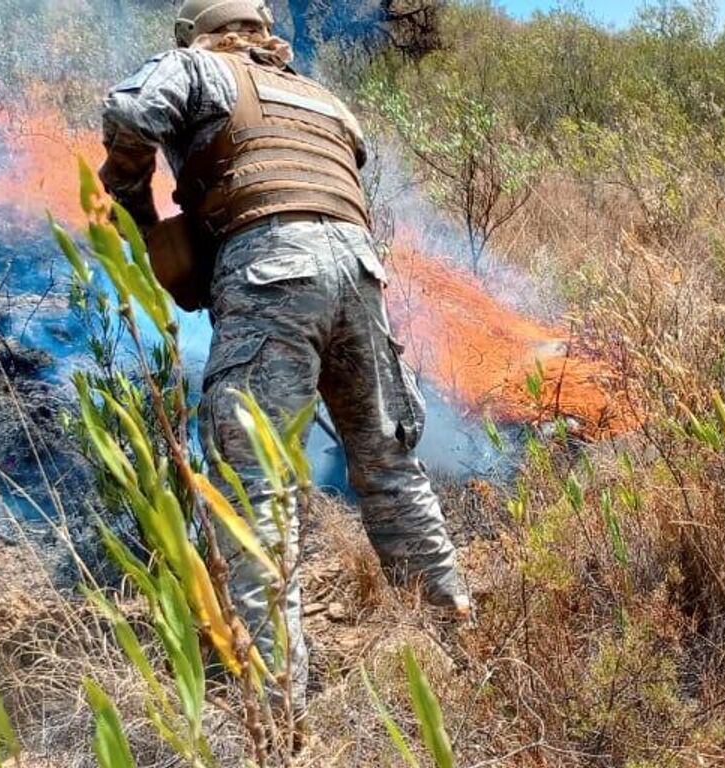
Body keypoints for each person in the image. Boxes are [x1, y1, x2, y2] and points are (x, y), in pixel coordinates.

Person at [97, 0, 470, 706]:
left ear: (201, 34)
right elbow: (345, 169)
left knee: (256, 485)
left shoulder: (196, 67)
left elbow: (128, 114)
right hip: (359, 274)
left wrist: (141, 214)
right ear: (267, 34)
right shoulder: (322, 97)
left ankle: (276, 703)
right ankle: (455, 645)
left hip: (268, 269)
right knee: (391, 467)